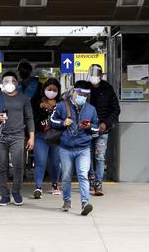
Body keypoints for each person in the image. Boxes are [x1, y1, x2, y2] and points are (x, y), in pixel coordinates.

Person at [0, 71, 35, 206]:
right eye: (5, 81)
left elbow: (29, 117)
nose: (8, 84)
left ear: (16, 83)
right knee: (1, 166)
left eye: (11, 81)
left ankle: (16, 192)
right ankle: (4, 195)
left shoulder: (24, 98)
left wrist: (31, 137)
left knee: (19, 165)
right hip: (0, 136)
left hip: (18, 135)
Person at [51, 81, 98, 216]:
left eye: (85, 94)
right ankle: (67, 201)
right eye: (80, 93)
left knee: (83, 175)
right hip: (65, 148)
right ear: (73, 92)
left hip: (83, 148)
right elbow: (52, 121)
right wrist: (62, 122)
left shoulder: (91, 109)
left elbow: (96, 128)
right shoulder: (61, 106)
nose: (82, 96)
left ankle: (85, 203)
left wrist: (89, 126)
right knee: (66, 176)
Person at [88, 64, 121, 196]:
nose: (95, 77)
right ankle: (91, 179)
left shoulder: (108, 89)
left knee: (100, 157)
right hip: (87, 130)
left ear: (101, 75)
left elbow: (116, 109)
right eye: (92, 74)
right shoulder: (85, 88)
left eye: (97, 74)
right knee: (87, 157)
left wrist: (105, 123)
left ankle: (98, 183)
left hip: (103, 131)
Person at [32, 78, 62, 198]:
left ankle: (55, 184)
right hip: (40, 136)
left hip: (56, 137)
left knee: (55, 162)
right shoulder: (36, 102)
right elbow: (31, 117)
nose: (52, 92)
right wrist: (42, 106)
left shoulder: (61, 104)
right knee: (40, 162)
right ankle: (38, 187)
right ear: (44, 90)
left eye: (54, 90)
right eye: (49, 89)